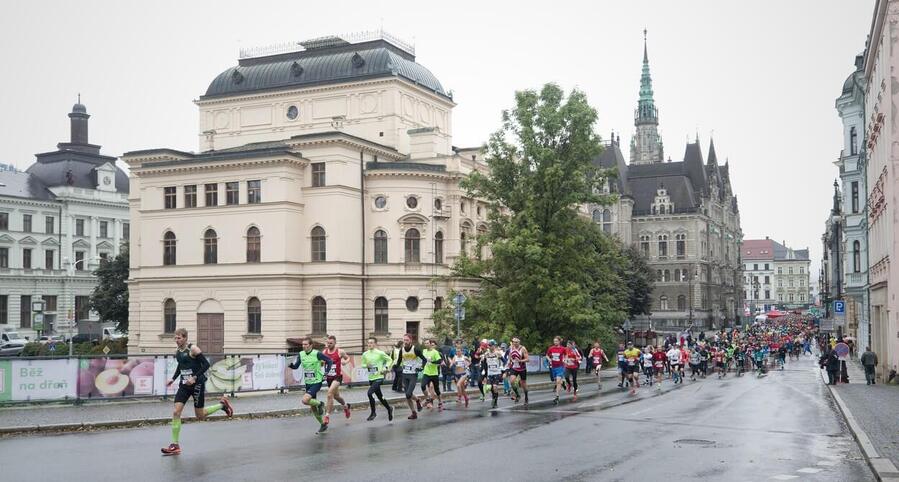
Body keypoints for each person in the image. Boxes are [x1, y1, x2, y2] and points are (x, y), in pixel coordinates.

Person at [161, 328, 233, 456]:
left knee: (200, 416)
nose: (176, 340)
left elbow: (205, 365)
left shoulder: (193, 349)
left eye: (179, 338)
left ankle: (222, 405)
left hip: (197, 384)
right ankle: (175, 444)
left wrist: (194, 377)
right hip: (184, 385)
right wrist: (172, 379)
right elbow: (180, 365)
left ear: (185, 338)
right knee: (176, 412)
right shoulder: (177, 351)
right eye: (175, 338)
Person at [288, 336, 334, 434]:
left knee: (305, 400)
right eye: (303, 345)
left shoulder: (316, 353)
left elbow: (330, 361)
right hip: (308, 382)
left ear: (311, 345)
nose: (303, 346)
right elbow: (296, 366)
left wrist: (326, 373)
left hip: (317, 381)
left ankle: (320, 403)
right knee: (312, 406)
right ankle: (323, 424)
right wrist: (291, 366)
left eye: (305, 344)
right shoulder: (301, 354)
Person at [361, 337, 394, 421]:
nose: (369, 344)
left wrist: (385, 368)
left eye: (371, 343)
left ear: (375, 344)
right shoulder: (365, 354)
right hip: (371, 377)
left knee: (369, 393)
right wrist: (366, 366)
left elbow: (389, 360)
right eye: (368, 343)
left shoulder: (380, 353)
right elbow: (363, 364)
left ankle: (373, 413)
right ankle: (389, 408)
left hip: (379, 377)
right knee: (380, 396)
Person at [322, 335, 351, 426]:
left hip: (337, 377)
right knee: (336, 396)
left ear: (335, 343)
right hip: (329, 378)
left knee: (329, 393)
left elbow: (348, 358)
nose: (329, 345)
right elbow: (322, 363)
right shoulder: (324, 352)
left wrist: (345, 362)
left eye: (331, 343)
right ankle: (346, 406)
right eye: (328, 343)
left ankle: (327, 416)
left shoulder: (340, 351)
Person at [398, 334, 428, 419]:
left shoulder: (415, 349)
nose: (405, 342)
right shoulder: (402, 350)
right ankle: (414, 412)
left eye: (407, 340)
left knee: (408, 393)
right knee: (407, 395)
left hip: (413, 374)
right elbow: (399, 360)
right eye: (404, 340)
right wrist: (396, 366)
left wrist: (421, 368)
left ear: (410, 340)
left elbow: (424, 359)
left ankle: (418, 400)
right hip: (404, 374)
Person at [421, 338, 445, 411]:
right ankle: (428, 399)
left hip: (434, 373)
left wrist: (433, 362)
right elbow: (422, 360)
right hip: (426, 372)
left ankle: (440, 401)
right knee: (424, 386)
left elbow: (439, 361)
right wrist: (421, 367)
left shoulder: (435, 352)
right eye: (425, 343)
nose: (427, 345)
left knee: (436, 389)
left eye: (428, 343)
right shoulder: (424, 351)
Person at [545, 336, 567, 404]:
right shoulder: (551, 348)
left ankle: (557, 397)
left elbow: (566, 355)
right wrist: (549, 359)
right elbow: (547, 355)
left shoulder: (563, 348)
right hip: (553, 367)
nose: (555, 342)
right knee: (556, 381)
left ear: (559, 341)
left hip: (560, 367)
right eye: (554, 341)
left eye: (556, 341)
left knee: (557, 381)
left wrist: (565, 360)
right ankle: (562, 382)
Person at [483, 340, 505, 408]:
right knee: (489, 387)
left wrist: (503, 369)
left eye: (492, 346)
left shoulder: (497, 353)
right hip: (490, 373)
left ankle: (495, 401)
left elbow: (505, 361)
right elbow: (484, 364)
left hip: (497, 373)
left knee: (495, 387)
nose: (490, 347)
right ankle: (493, 397)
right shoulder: (486, 354)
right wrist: (484, 374)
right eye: (489, 346)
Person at [451, 340, 471, 406]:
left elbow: (470, 362)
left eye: (459, 351)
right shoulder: (455, 357)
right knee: (462, 388)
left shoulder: (464, 357)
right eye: (456, 351)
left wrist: (467, 365)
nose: (457, 352)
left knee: (458, 385)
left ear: (461, 351)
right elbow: (452, 363)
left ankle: (459, 398)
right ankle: (466, 398)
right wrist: (451, 364)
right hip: (457, 374)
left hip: (464, 373)